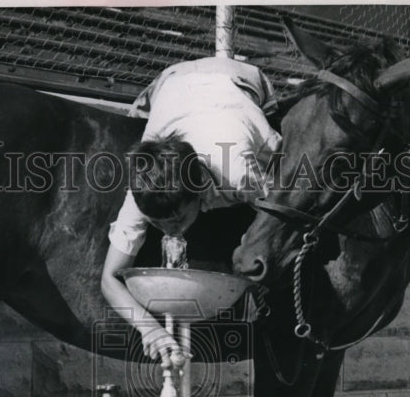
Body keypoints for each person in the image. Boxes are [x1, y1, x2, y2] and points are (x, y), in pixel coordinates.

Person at [100, 56, 282, 365]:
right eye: (158, 224)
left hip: (237, 78)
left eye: (178, 220)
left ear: (200, 191)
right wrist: (150, 330)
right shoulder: (139, 194)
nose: (172, 232)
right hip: (169, 80)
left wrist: (258, 288)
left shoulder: (241, 172)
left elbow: (282, 210)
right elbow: (109, 279)